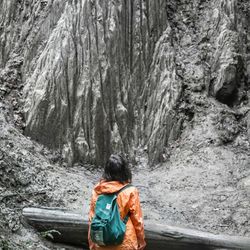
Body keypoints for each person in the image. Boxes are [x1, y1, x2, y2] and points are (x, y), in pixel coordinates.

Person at [88, 154, 146, 250]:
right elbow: (137, 221)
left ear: (106, 171)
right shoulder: (130, 191)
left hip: (102, 243)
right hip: (126, 243)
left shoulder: (98, 190)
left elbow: (92, 219)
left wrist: (93, 244)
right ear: (125, 171)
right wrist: (141, 241)